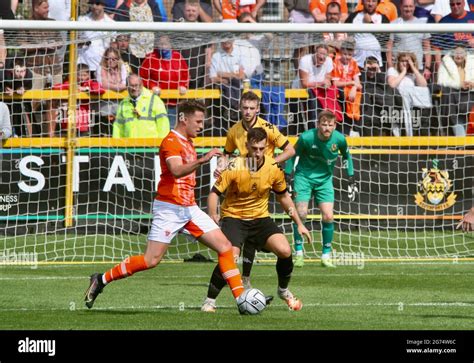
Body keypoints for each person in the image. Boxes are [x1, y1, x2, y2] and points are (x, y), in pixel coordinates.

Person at [85, 100, 247, 312]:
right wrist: (202, 160)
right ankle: (101, 279)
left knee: (225, 247)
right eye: (198, 121)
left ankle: (242, 300)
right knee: (151, 260)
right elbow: (176, 170)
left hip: (189, 208)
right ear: (183, 119)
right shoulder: (170, 141)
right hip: (169, 208)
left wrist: (217, 168)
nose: (201, 126)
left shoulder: (188, 141)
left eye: (202, 122)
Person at [201, 127, 311, 313]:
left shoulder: (273, 168)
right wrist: (213, 215)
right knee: (230, 257)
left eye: (261, 148)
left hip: (260, 219)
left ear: (267, 147)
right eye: (254, 148)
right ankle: (209, 300)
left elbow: (283, 197)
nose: (258, 153)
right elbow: (214, 194)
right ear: (246, 146)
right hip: (234, 218)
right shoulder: (235, 166)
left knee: (285, 250)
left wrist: (299, 223)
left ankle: (283, 291)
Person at [216, 90, 296, 287]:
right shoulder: (234, 130)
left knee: (255, 220)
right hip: (240, 178)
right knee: (243, 223)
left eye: (252, 108)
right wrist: (220, 165)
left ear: (258, 109)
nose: (248, 112)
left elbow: (290, 149)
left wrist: (271, 163)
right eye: (245, 108)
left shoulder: (268, 128)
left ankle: (246, 276)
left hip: (262, 178)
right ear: (239, 108)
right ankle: (241, 277)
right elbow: (226, 154)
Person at [284, 110, 356, 268]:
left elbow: (347, 156)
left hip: (325, 180)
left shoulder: (339, 139)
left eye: (330, 125)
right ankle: (299, 253)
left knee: (329, 216)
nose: (327, 128)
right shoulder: (306, 137)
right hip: (304, 178)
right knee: (301, 214)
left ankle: (325, 256)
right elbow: (292, 154)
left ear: (335, 125)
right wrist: (288, 175)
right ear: (318, 125)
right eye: (324, 124)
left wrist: (351, 177)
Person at [139, 35, 189, 128]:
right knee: (157, 126)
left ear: (170, 44)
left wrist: (183, 85)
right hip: (156, 102)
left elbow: (185, 74)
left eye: (165, 44)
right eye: (160, 44)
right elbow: (142, 77)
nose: (163, 47)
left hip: (174, 103)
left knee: (172, 127)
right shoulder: (151, 58)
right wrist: (152, 86)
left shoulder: (178, 57)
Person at [52, 63, 105, 136]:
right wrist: (72, 87)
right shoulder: (70, 83)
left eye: (85, 75)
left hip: (84, 117)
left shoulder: (90, 83)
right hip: (69, 117)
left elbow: (100, 89)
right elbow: (56, 87)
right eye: (80, 75)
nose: (82, 78)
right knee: (68, 136)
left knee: (83, 138)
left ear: (89, 75)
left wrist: (87, 89)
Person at [387, 52, 432, 136]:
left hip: (413, 103)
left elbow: (424, 85)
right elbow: (392, 85)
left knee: (425, 91)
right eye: (402, 61)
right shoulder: (393, 71)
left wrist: (413, 68)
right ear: (398, 62)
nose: (405, 63)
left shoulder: (413, 74)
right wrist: (403, 72)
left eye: (407, 61)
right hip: (397, 101)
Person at [386, 0, 432, 80]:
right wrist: (390, 67)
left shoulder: (422, 24)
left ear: (414, 7)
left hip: (417, 69)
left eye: (410, 6)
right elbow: (388, 48)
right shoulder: (393, 24)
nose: (408, 9)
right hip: (398, 69)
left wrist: (427, 67)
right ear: (400, 7)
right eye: (405, 6)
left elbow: (427, 47)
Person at [436, 46, 474, 136]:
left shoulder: (472, 63)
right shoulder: (445, 63)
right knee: (447, 93)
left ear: (465, 54)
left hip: (470, 95)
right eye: (456, 53)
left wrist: (472, 84)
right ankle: (458, 134)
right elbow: (441, 81)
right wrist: (459, 85)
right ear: (452, 54)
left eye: (461, 53)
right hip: (453, 96)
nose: (459, 56)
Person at [345, 0, 390, 68]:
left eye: (373, 1)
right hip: (356, 64)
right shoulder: (353, 17)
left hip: (377, 65)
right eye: (368, 1)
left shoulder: (383, 19)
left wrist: (370, 24)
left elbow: (384, 40)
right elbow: (345, 36)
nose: (370, 4)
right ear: (362, 2)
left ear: (378, 3)